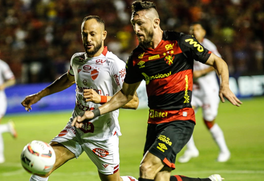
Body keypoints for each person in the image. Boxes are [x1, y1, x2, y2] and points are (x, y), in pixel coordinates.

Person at [72, 1, 242, 181]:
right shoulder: (137, 58)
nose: (136, 30)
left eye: (140, 24)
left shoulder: (180, 42)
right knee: (160, 178)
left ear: (155, 22)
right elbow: (125, 95)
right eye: (133, 25)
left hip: (179, 119)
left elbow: (218, 62)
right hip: (154, 123)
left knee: (146, 168)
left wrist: (224, 84)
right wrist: (95, 112)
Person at [21, 15, 139, 181]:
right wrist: (39, 95)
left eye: (93, 34)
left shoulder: (115, 65)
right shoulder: (77, 60)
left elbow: (133, 101)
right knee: (42, 167)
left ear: (103, 35)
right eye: (84, 34)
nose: (88, 39)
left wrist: (102, 98)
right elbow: (68, 79)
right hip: (76, 128)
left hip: (102, 135)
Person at [178, 22, 230, 163]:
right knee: (184, 117)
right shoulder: (186, 44)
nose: (194, 32)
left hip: (208, 90)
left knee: (208, 121)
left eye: (197, 29)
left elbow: (218, 63)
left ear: (203, 32)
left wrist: (200, 72)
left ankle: (224, 151)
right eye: (191, 29)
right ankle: (191, 149)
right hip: (193, 90)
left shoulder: (208, 45)